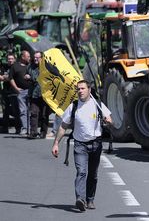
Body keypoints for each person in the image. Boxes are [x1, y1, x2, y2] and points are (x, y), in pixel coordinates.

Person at [51, 80, 112, 212]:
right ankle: (80, 199)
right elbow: (63, 126)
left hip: (96, 144)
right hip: (80, 145)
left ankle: (90, 199)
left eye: (83, 89)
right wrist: (56, 143)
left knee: (93, 174)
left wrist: (108, 121)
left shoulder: (98, 104)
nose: (80, 91)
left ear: (89, 90)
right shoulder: (73, 106)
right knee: (81, 171)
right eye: (78, 89)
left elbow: (110, 119)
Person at [27, 51, 51, 138]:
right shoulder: (31, 67)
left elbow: (41, 78)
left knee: (44, 114)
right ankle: (33, 132)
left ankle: (43, 132)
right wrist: (26, 77)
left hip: (45, 95)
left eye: (38, 57)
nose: (35, 59)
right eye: (35, 57)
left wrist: (31, 77)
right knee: (33, 113)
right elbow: (28, 74)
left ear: (42, 58)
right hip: (34, 94)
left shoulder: (47, 67)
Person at [9, 50, 31, 135]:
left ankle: (31, 128)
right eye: (28, 56)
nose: (29, 58)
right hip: (21, 92)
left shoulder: (30, 66)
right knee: (23, 111)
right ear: (23, 57)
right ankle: (24, 128)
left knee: (31, 111)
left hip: (31, 91)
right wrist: (16, 88)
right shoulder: (15, 66)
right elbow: (11, 78)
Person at [0, 54, 20, 133]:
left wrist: (6, 77)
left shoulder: (17, 67)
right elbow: (1, 77)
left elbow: (16, 77)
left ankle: (18, 128)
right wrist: (9, 77)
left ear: (15, 59)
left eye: (12, 59)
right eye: (8, 59)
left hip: (14, 92)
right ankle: (5, 128)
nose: (10, 60)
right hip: (5, 91)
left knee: (16, 111)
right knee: (5, 111)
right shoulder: (4, 67)